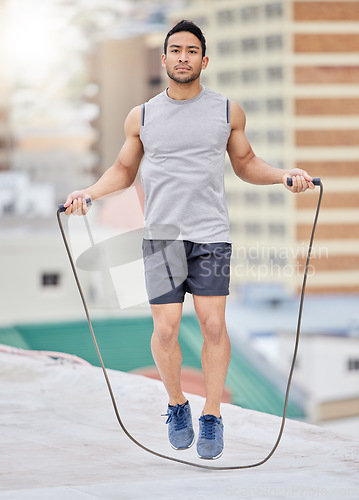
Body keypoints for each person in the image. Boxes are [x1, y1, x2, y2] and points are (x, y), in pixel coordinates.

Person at [64, 20, 315, 460]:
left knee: (214, 326)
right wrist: (89, 193)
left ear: (203, 59)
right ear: (164, 59)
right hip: (162, 237)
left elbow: (247, 163)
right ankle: (178, 404)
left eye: (191, 50)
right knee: (166, 329)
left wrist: (284, 177)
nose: (183, 57)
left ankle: (212, 415)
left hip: (211, 238)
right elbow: (123, 171)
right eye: (175, 50)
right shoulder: (141, 116)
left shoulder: (226, 112)